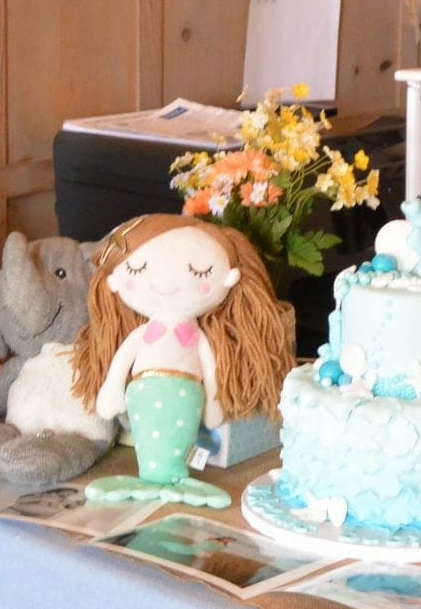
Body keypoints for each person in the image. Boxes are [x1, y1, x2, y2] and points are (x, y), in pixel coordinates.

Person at [69, 214, 291, 504]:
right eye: (138, 268)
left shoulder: (198, 338)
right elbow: (121, 360)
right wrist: (112, 388)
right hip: (143, 393)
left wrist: (213, 402)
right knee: (148, 435)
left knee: (178, 435)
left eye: (199, 272)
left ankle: (174, 474)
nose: (165, 283)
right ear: (114, 280)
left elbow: (211, 371)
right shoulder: (142, 333)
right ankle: (150, 474)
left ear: (230, 278)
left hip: (186, 396)